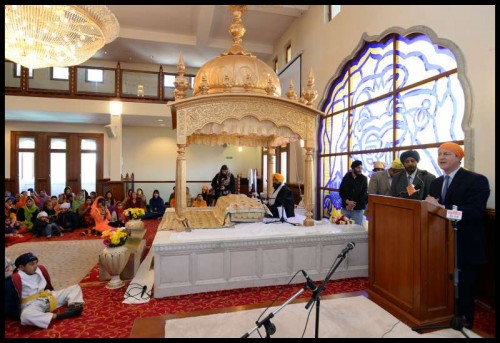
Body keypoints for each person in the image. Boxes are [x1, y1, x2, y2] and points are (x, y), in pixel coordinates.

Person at [424, 142, 490, 328]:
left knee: (465, 288)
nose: (442, 157)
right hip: (440, 244)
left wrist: (444, 210)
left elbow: (474, 212)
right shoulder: (436, 182)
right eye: (439, 154)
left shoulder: (476, 180)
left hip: (466, 245)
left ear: (459, 158)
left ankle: (464, 320)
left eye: (447, 154)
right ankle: (443, 315)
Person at [9, 252, 84, 329]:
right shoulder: (16, 278)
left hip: (47, 296)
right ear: (21, 267)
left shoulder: (39, 269)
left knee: (75, 287)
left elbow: (48, 286)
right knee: (26, 315)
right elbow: (12, 299)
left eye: (36, 263)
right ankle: (59, 316)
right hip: (33, 304)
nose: (35, 266)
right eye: (31, 264)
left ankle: (73, 307)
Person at [339, 160, 367, 225]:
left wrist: (352, 205)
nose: (360, 170)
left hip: (358, 209)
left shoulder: (364, 179)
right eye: (358, 168)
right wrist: (347, 202)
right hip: (346, 208)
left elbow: (364, 194)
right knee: (343, 228)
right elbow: (341, 191)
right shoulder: (346, 177)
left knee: (357, 229)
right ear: (353, 168)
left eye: (361, 168)